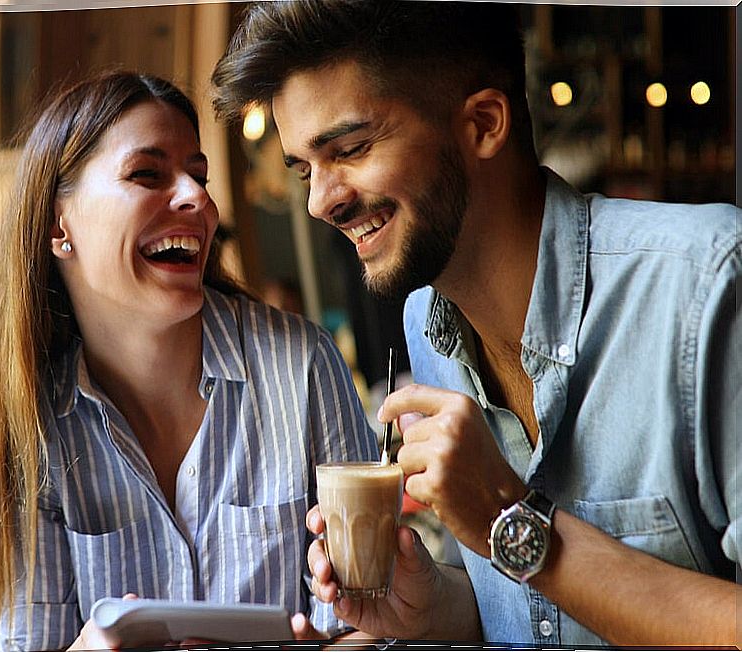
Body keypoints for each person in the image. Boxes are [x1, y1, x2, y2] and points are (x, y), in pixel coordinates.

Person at [211, 0, 740, 647]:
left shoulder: (708, 284)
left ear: (485, 123)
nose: (322, 200)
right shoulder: (425, 325)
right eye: (304, 170)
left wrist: (508, 518)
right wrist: (432, 605)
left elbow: (522, 545)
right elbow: (532, 610)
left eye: (349, 149)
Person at [0, 70, 378, 651]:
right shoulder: (26, 424)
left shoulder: (301, 365)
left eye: (199, 176)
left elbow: (373, 624)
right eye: (147, 173)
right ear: (59, 224)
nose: (199, 199)